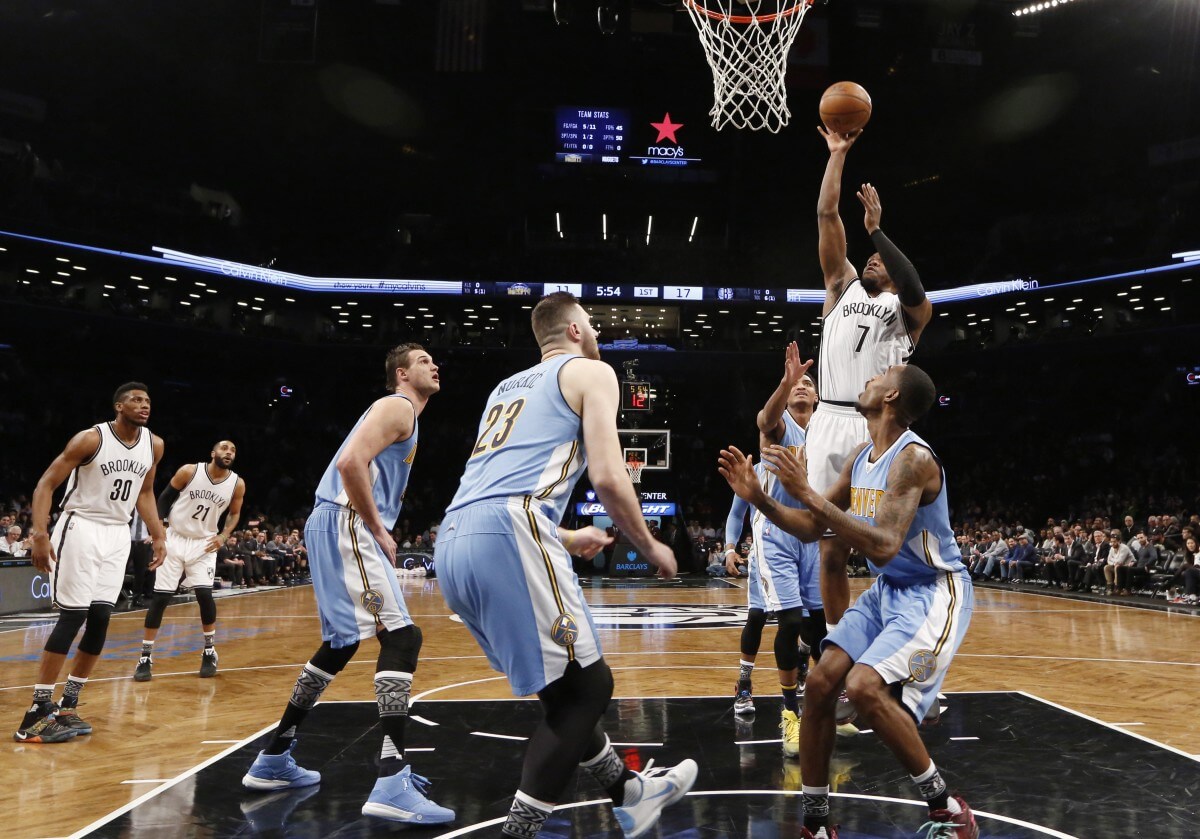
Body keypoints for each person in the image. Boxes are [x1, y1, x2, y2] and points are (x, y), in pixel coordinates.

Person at [435, 292, 696, 839]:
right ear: (576, 329)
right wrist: (649, 545)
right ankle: (520, 832)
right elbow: (607, 474)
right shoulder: (592, 372)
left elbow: (494, 490)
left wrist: (566, 533)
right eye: (593, 324)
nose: (596, 333)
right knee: (591, 689)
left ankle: (630, 795)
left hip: (454, 538)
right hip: (511, 531)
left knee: (561, 690)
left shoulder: (504, 389)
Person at [719, 364, 977, 838]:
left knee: (860, 687)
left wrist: (806, 493)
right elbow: (814, 527)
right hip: (887, 592)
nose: (869, 379)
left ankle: (948, 808)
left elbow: (882, 545)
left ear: (892, 396)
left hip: (933, 591)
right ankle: (817, 824)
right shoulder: (862, 455)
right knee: (818, 685)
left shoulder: (913, 460)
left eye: (880, 377)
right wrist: (760, 499)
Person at [242, 344, 454, 825]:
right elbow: (349, 463)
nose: (433, 365)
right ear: (400, 374)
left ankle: (273, 758)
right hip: (346, 521)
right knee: (402, 636)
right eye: (422, 361)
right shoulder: (397, 405)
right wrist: (379, 528)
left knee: (339, 645)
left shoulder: (405, 416)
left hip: (331, 521)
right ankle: (391, 779)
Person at [810, 128, 934, 685]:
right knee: (829, 552)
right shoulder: (841, 289)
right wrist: (837, 156)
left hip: (877, 434)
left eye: (879, 260)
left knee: (895, 553)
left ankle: (914, 656)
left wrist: (878, 231)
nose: (872, 262)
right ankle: (842, 654)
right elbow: (826, 217)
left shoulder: (908, 319)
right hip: (829, 421)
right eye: (870, 257)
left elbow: (911, 284)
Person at [16, 382, 166, 743]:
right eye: (135, 399)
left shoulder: (154, 444)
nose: (144, 405)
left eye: (147, 400)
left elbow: (144, 493)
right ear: (118, 405)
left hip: (116, 533)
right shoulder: (91, 439)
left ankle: (67, 706)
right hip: (81, 525)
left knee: (100, 618)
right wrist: (39, 533)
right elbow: (45, 485)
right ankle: (35, 713)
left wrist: (159, 533)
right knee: (73, 616)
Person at [749, 345, 835, 753]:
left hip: (814, 534)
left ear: (818, 397)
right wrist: (785, 383)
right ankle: (789, 716)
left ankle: (822, 707)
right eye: (796, 384)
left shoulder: (827, 430)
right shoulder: (779, 423)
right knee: (787, 623)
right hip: (778, 532)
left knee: (818, 627)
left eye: (807, 383)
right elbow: (764, 418)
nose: (802, 387)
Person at [134, 440, 246, 681]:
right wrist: (160, 528)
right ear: (213, 452)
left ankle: (209, 651)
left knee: (204, 596)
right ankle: (145, 656)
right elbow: (164, 498)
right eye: (224, 448)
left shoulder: (237, 484)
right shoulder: (190, 471)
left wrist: (224, 536)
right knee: (161, 598)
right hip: (175, 538)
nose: (229, 452)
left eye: (233, 450)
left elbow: (235, 513)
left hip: (204, 543)